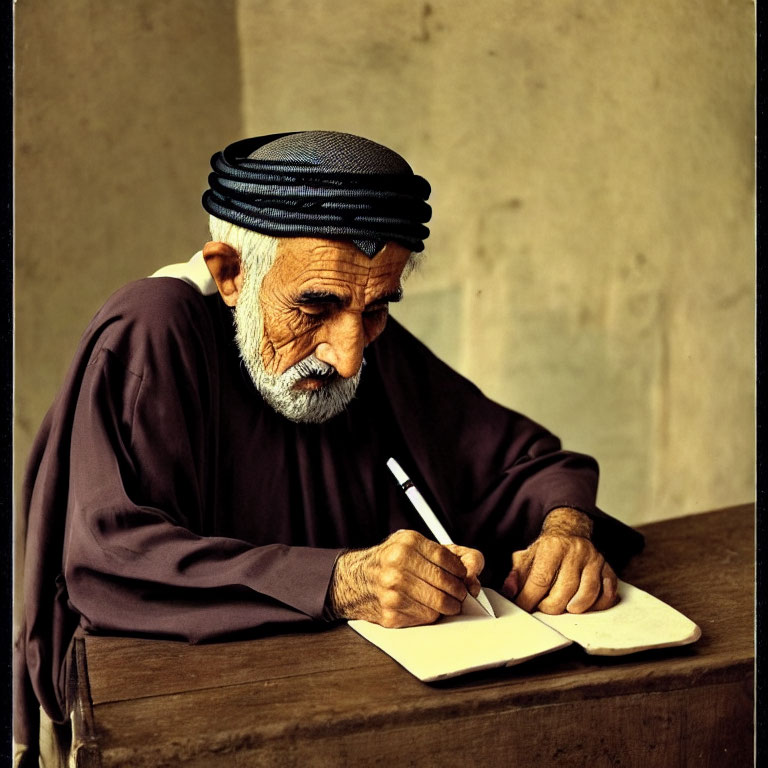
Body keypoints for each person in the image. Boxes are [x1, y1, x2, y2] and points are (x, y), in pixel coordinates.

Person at [14, 131, 643, 764]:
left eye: (375, 311)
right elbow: (109, 560)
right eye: (315, 307)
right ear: (229, 273)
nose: (347, 357)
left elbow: (527, 463)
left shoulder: (364, 338)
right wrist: (340, 582)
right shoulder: (157, 327)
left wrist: (566, 532)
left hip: (347, 714)